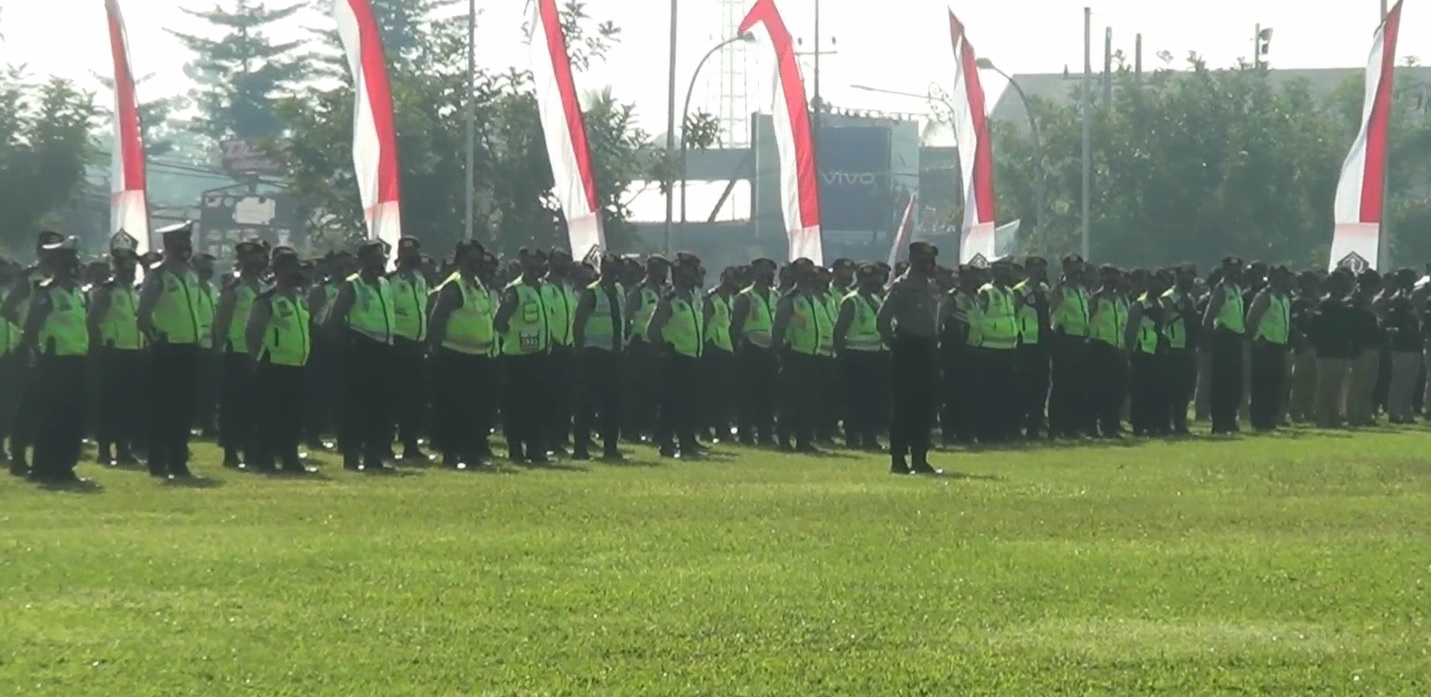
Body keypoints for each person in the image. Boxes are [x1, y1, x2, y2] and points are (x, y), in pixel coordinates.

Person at [136, 222, 205, 479]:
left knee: (185, 408)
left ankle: (179, 460)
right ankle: (158, 461)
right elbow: (143, 316)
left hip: (190, 347)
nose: (185, 247)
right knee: (163, 407)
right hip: (167, 350)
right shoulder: (159, 274)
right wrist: (157, 340)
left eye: (187, 242)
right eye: (180, 243)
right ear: (168, 245)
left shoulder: (189, 274)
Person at [324, 239, 397, 472]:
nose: (379, 265)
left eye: (381, 260)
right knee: (355, 406)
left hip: (383, 349)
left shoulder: (385, 284)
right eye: (374, 260)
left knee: (379, 406)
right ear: (362, 261)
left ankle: (374, 454)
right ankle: (352, 454)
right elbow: (334, 320)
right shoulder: (351, 285)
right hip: (359, 349)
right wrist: (345, 346)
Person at [21, 236, 88, 484]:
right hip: (54, 362)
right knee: (51, 417)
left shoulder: (78, 293)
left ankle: (65, 465)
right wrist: (35, 355)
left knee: (73, 417)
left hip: (77, 360)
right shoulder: (47, 292)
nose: (72, 265)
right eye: (66, 260)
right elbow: (30, 328)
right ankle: (43, 466)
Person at [427, 240, 498, 468]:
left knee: (476, 408)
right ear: (459, 261)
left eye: (479, 261)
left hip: (478, 356)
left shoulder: (479, 285)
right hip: (454, 356)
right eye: (471, 261)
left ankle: (472, 453)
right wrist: (435, 351)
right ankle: (450, 453)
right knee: (453, 407)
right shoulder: (453, 286)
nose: (476, 265)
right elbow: (437, 320)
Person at [244, 246, 312, 474]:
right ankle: (264, 458)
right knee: (269, 416)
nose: (293, 274)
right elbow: (253, 333)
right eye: (288, 269)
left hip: (297, 365)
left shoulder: (300, 299)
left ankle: (290, 457)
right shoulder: (267, 300)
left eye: (295, 269)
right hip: (273, 365)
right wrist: (257, 358)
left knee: (293, 417)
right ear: (277, 271)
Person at [876, 242, 943, 475]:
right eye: (925, 259)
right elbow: (882, 319)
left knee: (926, 406)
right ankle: (898, 459)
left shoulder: (931, 285)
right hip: (908, 348)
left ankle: (920, 458)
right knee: (905, 406)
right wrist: (894, 344)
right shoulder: (901, 286)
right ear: (914, 260)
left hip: (928, 348)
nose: (930, 264)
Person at [86, 231, 145, 466]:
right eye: (125, 267)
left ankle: (124, 448)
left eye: (132, 267)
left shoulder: (133, 292)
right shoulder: (107, 292)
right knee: (109, 402)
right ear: (117, 267)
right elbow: (92, 321)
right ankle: (104, 449)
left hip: (133, 350)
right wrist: (100, 345)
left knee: (129, 403)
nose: (129, 271)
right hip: (112, 352)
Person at [212, 239, 267, 469]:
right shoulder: (234, 289)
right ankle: (231, 451)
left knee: (256, 406)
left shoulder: (265, 288)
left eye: (259, 260)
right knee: (233, 405)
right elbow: (221, 323)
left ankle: (253, 449)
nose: (255, 265)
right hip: (236, 353)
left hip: (262, 353)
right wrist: (219, 349)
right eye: (250, 261)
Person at [647, 252, 707, 458]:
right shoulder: (669, 300)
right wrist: (664, 349)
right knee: (672, 404)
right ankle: (667, 443)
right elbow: (652, 330)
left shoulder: (695, 297)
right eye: (690, 270)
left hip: (693, 357)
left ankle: (687, 441)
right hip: (675, 359)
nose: (694, 275)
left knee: (691, 403)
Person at [494, 247, 552, 464]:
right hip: (517, 359)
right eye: (531, 263)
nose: (535, 267)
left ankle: (536, 448)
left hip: (540, 356)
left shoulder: (544, 289)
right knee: (517, 406)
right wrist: (514, 338)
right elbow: (500, 322)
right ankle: (516, 448)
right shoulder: (515, 291)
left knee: (537, 406)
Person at [571, 252, 627, 461]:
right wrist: (579, 350)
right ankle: (580, 447)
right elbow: (578, 323)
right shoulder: (591, 293)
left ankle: (610, 447)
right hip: (593, 353)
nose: (615, 276)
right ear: (603, 270)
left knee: (612, 403)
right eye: (611, 271)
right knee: (587, 403)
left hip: (614, 354)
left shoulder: (619, 291)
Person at [832, 262, 885, 450]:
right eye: (872, 280)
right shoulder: (851, 300)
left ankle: (870, 438)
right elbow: (839, 331)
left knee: (872, 400)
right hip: (854, 357)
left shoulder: (877, 300)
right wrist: (842, 356)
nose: (876, 283)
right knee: (854, 400)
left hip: (874, 356)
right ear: (862, 280)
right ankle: (853, 438)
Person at [388, 237, 430, 462]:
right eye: (407, 254)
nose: (412, 258)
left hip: (416, 345)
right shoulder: (390, 281)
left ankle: (410, 445)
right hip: (397, 345)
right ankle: (385, 444)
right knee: (392, 398)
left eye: (415, 254)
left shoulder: (420, 280)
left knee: (414, 400)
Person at [1200, 256, 1247, 435]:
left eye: (1238, 269)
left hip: (1236, 339)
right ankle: (1219, 422)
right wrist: (1210, 339)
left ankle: (1230, 419)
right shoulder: (1220, 291)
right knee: (1222, 383)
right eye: (1232, 269)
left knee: (1235, 383)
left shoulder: (1236, 289)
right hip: (1223, 338)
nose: (1236, 273)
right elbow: (1208, 318)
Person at [1245, 266, 1293, 431]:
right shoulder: (1264, 297)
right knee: (1261, 385)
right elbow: (1251, 320)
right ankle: (1259, 420)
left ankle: (1270, 418)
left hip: (1279, 345)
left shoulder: (1284, 298)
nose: (1281, 280)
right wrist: (1255, 338)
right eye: (1278, 277)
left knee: (1276, 384)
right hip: (1264, 346)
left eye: (1283, 277)